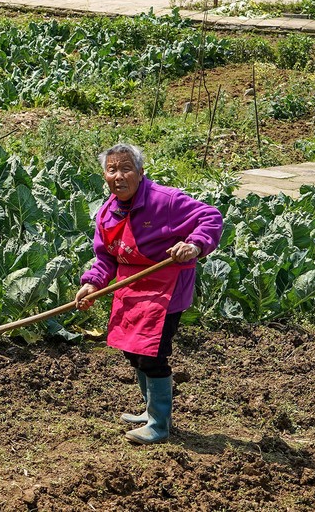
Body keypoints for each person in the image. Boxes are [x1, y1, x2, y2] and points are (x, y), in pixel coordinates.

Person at [75, 143, 223, 445]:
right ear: (104, 175)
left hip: (165, 290)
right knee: (133, 351)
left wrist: (194, 244)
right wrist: (92, 283)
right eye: (112, 169)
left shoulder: (165, 201)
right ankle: (151, 411)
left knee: (152, 355)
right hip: (131, 290)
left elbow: (211, 216)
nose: (119, 175)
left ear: (140, 172)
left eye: (126, 168)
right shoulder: (107, 213)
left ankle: (159, 424)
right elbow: (106, 258)